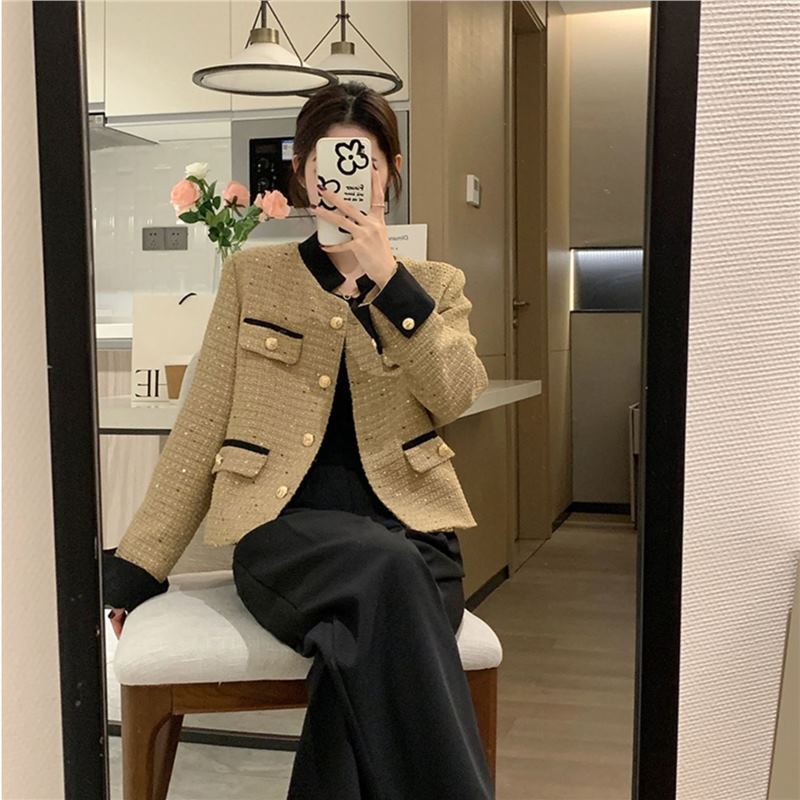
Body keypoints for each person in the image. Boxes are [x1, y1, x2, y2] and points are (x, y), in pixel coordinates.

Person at [103, 81, 493, 799]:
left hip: (415, 538)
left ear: (391, 171)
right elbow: (202, 424)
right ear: (305, 175)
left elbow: (457, 392)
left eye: (363, 160)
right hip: (284, 537)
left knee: (359, 640)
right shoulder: (255, 275)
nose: (344, 177)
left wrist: (389, 281)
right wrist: (137, 567)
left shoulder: (434, 284)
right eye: (327, 161)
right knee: (385, 577)